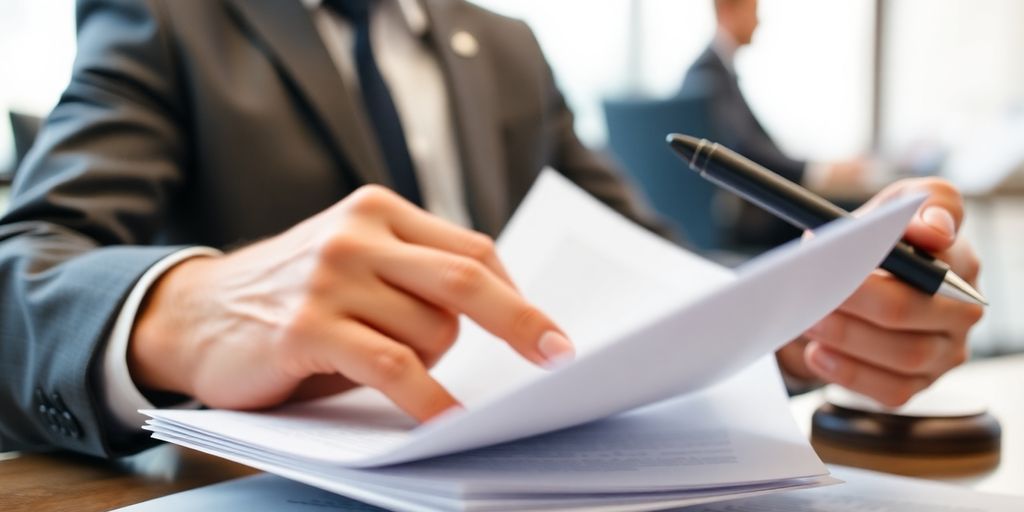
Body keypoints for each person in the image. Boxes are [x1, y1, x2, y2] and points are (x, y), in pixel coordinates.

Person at [0, 0, 981, 459]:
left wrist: (815, 310)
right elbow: (23, 264)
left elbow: (650, 275)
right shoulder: (172, 19)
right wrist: (180, 309)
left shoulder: (507, 48)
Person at [681, 0, 868, 246]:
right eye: (754, 13)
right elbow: (745, 150)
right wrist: (819, 172)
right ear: (728, 11)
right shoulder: (707, 74)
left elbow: (759, 143)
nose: (759, 22)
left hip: (742, 216)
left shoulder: (720, 71)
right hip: (743, 222)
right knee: (851, 215)